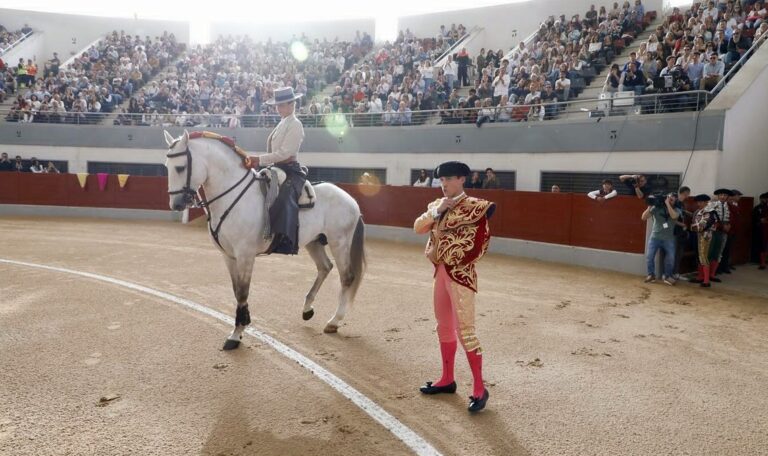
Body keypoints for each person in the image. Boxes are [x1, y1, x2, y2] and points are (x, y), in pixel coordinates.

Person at [413, 161, 496, 413]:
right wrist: (436, 211)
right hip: (440, 273)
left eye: (449, 179)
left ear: (462, 179)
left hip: (460, 275)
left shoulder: (477, 207)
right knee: (444, 327)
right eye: (441, 180)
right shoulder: (435, 206)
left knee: (466, 330)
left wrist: (453, 258)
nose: (444, 184)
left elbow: (480, 244)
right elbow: (418, 227)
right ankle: (447, 379)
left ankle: (480, 389)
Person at [246, 87, 306, 255]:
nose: (278, 109)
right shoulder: (283, 122)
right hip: (276, 166)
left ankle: (278, 235)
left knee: (280, 191)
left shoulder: (295, 124)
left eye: (282, 105)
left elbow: (284, 154)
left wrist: (259, 159)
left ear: (292, 104)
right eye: (277, 105)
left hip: (288, 168)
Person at [641, 192, 682, 284]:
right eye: (668, 198)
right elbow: (643, 217)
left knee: (670, 258)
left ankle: (668, 276)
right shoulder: (657, 208)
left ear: (675, 200)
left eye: (671, 199)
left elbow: (674, 216)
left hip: (669, 238)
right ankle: (651, 275)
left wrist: (667, 204)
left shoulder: (677, 209)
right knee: (649, 256)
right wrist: (649, 207)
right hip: (655, 237)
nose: (669, 200)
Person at [690, 194, 719, 287]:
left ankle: (706, 281)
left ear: (706, 202)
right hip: (700, 236)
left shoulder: (710, 212)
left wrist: (693, 227)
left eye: (701, 202)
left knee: (703, 256)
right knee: (700, 256)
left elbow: (701, 227)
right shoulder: (701, 211)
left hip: (706, 236)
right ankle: (701, 277)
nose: (699, 204)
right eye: (698, 202)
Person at [709, 188, 733, 282]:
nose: (723, 196)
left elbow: (731, 218)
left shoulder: (729, 206)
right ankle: (707, 275)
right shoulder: (712, 205)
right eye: (721, 195)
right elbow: (708, 217)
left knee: (719, 252)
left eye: (725, 195)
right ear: (718, 196)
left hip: (723, 232)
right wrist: (721, 226)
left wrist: (729, 225)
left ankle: (712, 274)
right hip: (713, 231)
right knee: (710, 252)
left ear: (727, 197)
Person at [754, 192, 768, 270]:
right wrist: (760, 220)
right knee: (762, 246)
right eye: (764, 198)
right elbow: (754, 217)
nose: (765, 200)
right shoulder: (757, 208)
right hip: (762, 230)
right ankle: (762, 263)